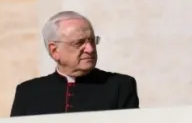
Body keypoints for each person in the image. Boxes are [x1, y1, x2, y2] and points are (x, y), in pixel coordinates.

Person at [10, 11, 139, 117]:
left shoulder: (120, 86)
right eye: (78, 43)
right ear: (55, 50)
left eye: (92, 41)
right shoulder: (28, 93)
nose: (90, 49)